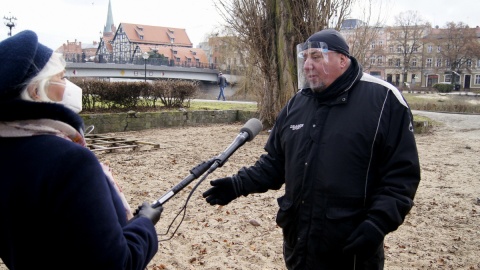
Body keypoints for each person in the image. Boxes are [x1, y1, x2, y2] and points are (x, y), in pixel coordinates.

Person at [203, 29, 421, 269]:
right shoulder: (297, 102)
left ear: (342, 60)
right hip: (299, 245)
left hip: (352, 248)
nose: (307, 65)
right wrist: (237, 185)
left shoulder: (384, 101)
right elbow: (276, 163)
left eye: (316, 56)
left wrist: (378, 223)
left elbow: (401, 175)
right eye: (304, 58)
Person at [0, 30, 163, 269]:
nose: (68, 86)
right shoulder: (71, 161)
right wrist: (145, 224)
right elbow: (116, 263)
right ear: (37, 91)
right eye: (62, 78)